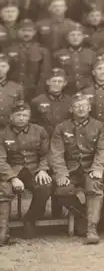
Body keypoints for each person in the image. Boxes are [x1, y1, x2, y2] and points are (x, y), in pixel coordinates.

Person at [49, 93, 104, 244]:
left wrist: (98, 168)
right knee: (62, 190)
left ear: (89, 108)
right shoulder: (61, 127)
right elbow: (56, 153)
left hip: (91, 167)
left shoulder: (99, 126)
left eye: (84, 105)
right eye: (77, 106)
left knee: (94, 186)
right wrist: (61, 173)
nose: (81, 108)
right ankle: (83, 215)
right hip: (71, 168)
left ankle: (92, 229)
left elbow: (103, 150)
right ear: (71, 109)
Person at [0, 101, 51, 241]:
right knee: (4, 190)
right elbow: (0, 159)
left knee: (44, 187)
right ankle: (3, 231)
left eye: (24, 115)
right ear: (11, 117)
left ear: (29, 116)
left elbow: (46, 154)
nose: (21, 118)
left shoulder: (39, 131)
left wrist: (43, 169)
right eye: (18, 115)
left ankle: (30, 220)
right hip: (12, 170)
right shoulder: (3, 133)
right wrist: (12, 177)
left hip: (34, 170)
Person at [4, 18, 51, 101]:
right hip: (11, 90)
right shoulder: (8, 50)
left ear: (34, 32)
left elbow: (45, 74)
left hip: (33, 91)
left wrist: (39, 92)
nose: (26, 33)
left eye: (29, 31)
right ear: (17, 31)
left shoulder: (42, 50)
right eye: (23, 30)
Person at [53, 23, 97, 95]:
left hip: (88, 90)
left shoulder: (91, 54)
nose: (75, 38)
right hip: (66, 91)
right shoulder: (58, 54)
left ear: (83, 37)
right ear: (67, 37)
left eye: (79, 35)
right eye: (72, 35)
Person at [31, 68, 72, 136]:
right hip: (45, 138)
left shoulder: (70, 101)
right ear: (48, 82)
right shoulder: (37, 101)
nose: (56, 84)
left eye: (60, 81)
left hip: (64, 138)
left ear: (65, 83)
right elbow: (32, 125)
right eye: (54, 81)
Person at [0, 54, 24, 129]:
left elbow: (20, 110)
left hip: (10, 128)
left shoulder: (17, 88)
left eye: (3, 66)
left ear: (8, 68)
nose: (0, 69)